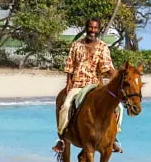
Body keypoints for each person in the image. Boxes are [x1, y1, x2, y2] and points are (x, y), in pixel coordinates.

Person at [52, 18, 124, 154]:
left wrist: (119, 78)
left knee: (119, 108)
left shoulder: (102, 47)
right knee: (66, 106)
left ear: (99, 29)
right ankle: (62, 139)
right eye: (91, 27)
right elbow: (70, 65)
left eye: (95, 28)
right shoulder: (76, 45)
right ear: (86, 28)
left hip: (96, 85)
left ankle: (113, 138)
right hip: (78, 83)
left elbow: (108, 67)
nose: (93, 30)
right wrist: (69, 82)